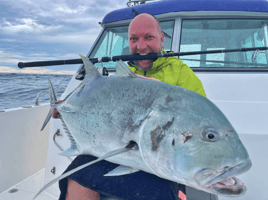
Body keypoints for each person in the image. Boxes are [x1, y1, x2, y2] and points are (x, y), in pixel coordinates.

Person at [54, 13, 207, 200]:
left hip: (161, 164)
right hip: (122, 152)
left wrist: (159, 90)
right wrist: (67, 109)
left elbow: (199, 125)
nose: (141, 46)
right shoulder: (120, 77)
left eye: (149, 37)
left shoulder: (183, 75)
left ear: (161, 39)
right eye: (134, 39)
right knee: (76, 173)